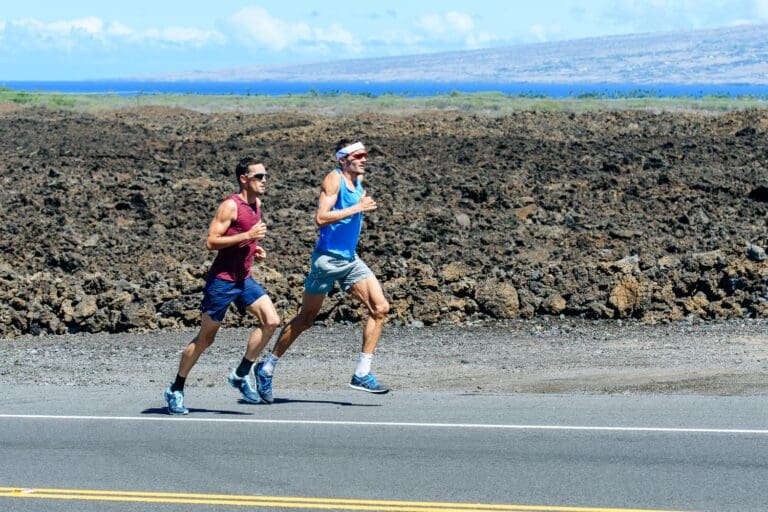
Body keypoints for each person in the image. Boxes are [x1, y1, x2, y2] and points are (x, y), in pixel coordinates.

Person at [252, 138, 390, 402]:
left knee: (380, 308)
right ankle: (267, 367)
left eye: (364, 155)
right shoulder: (334, 179)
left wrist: (359, 205)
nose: (364, 159)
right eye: (358, 155)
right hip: (326, 261)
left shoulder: (357, 182)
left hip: (349, 260)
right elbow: (321, 218)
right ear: (343, 159)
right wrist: (357, 207)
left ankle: (362, 373)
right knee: (306, 320)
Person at [164, 158, 280, 415]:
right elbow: (212, 241)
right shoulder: (231, 206)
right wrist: (247, 237)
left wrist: (254, 249)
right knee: (206, 338)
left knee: (271, 321)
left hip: (244, 278)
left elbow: (241, 241)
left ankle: (240, 374)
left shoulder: (256, 204)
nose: (264, 180)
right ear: (244, 179)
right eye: (258, 176)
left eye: (265, 176)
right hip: (222, 282)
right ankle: (176, 389)